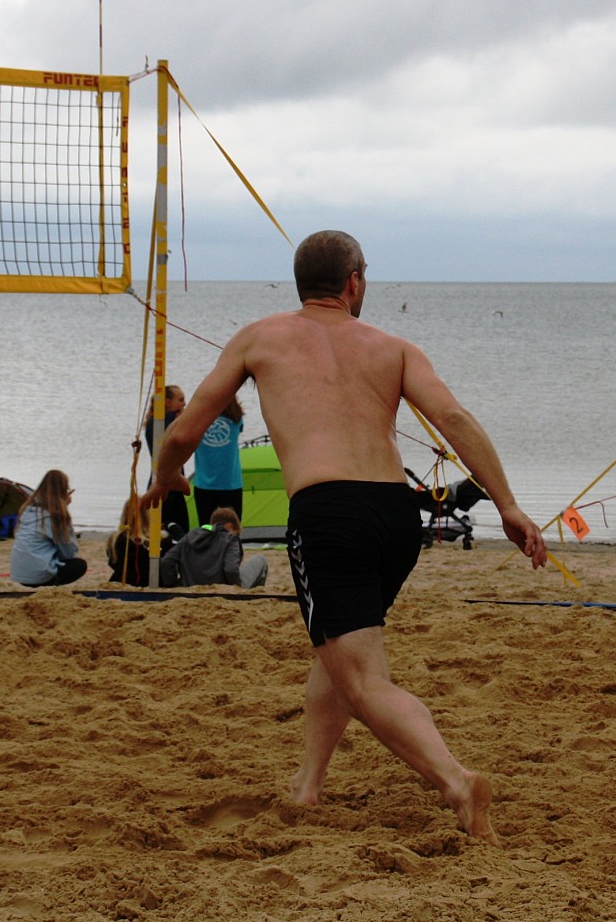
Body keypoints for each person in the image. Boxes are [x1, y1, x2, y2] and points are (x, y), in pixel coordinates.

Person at [144, 229, 546, 844]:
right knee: (337, 650)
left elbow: (181, 432)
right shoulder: (394, 347)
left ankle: (457, 783)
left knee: (362, 680)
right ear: (354, 281)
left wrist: (167, 477)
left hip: (329, 514)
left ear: (301, 283)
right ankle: (307, 785)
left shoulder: (258, 338)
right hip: (396, 518)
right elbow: (455, 419)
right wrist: (508, 505)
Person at [10, 469, 87, 587]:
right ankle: (50, 585)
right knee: (79, 565)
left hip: (21, 575)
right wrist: (65, 510)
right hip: (39, 576)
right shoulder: (55, 515)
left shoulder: (28, 510)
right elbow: (69, 553)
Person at [159, 507, 268, 589]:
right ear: (229, 526)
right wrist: (235, 589)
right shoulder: (230, 539)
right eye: (237, 533)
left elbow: (166, 562)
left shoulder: (189, 537)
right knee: (260, 559)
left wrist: (173, 585)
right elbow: (230, 570)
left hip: (189, 588)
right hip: (223, 590)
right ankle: (251, 598)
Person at [145, 384, 190, 537]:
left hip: (176, 482)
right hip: (161, 482)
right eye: (180, 400)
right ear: (167, 402)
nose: (184, 404)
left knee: (181, 530)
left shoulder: (171, 421)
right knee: (163, 530)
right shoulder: (156, 423)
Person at [193, 395, 245, 525]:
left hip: (204, 483)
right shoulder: (236, 418)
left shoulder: (197, 419)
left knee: (206, 526)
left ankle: (210, 538)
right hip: (230, 483)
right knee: (232, 527)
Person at [106, 493, 165, 587]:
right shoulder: (158, 540)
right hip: (151, 582)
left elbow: (112, 563)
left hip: (122, 581)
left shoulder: (115, 539)